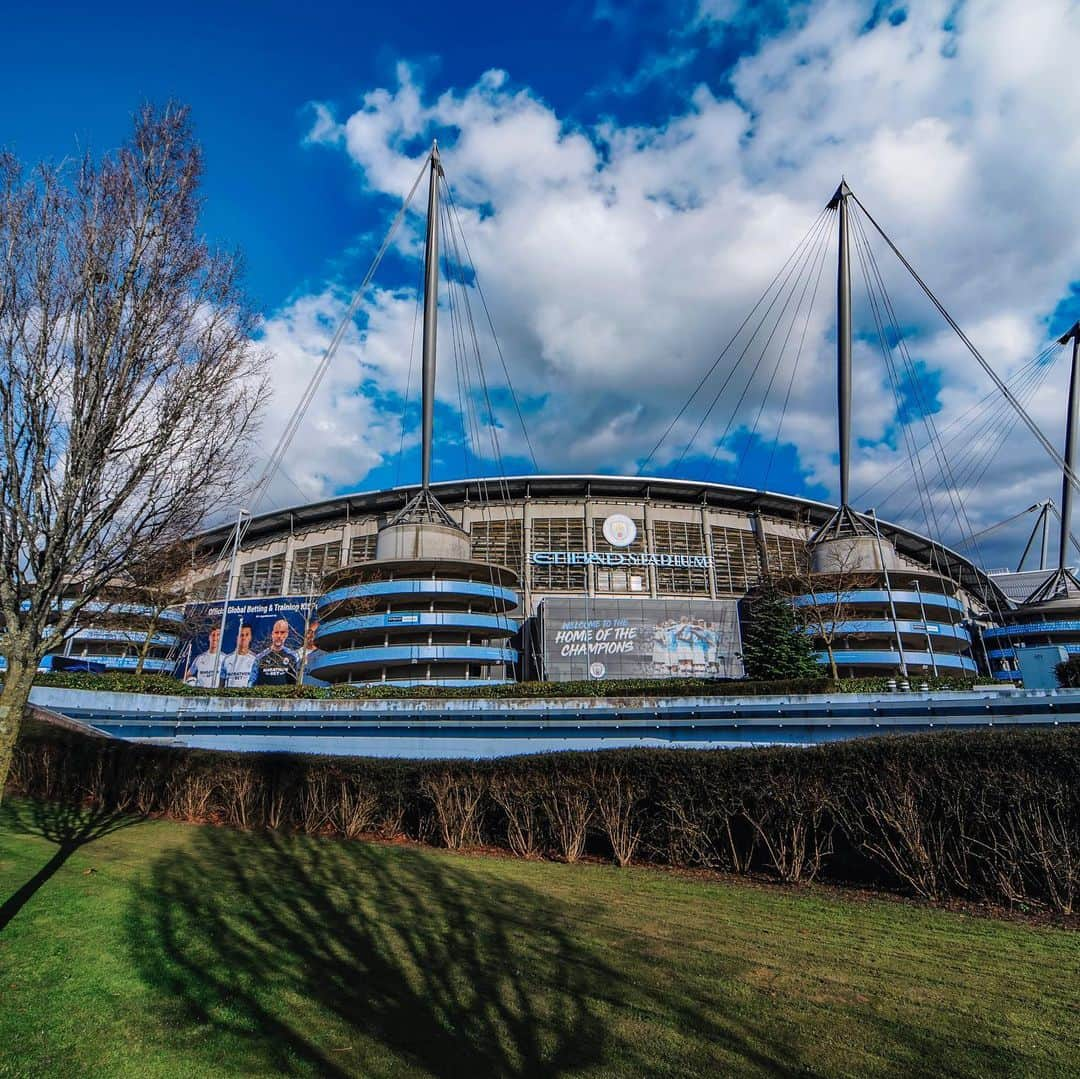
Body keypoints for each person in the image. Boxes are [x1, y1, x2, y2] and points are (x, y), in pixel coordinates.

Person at [249, 618, 300, 687]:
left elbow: (298, 681)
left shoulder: (293, 656)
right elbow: (252, 681)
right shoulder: (260, 657)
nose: (279, 636)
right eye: (276, 632)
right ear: (272, 634)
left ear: (287, 634)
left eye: (282, 632)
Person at [222, 624, 256, 688]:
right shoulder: (227, 659)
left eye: (247, 635)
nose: (244, 638)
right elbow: (222, 681)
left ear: (250, 637)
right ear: (237, 637)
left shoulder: (255, 659)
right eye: (241, 635)